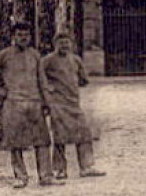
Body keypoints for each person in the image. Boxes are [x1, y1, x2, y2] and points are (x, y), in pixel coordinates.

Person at [0, 23, 60, 188]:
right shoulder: (5, 55)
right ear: (13, 37)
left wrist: (48, 102)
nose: (24, 38)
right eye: (20, 35)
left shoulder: (35, 55)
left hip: (35, 102)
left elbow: (42, 81)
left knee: (43, 140)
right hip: (14, 103)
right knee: (15, 142)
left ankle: (46, 176)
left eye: (26, 35)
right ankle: (21, 177)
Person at [40, 32, 105, 180]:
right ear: (54, 44)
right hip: (58, 104)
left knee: (84, 134)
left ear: (72, 44)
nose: (64, 46)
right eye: (61, 43)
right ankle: (59, 169)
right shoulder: (47, 61)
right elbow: (41, 81)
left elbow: (84, 80)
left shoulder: (76, 60)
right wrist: (48, 97)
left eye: (67, 42)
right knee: (59, 137)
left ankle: (87, 166)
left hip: (74, 104)